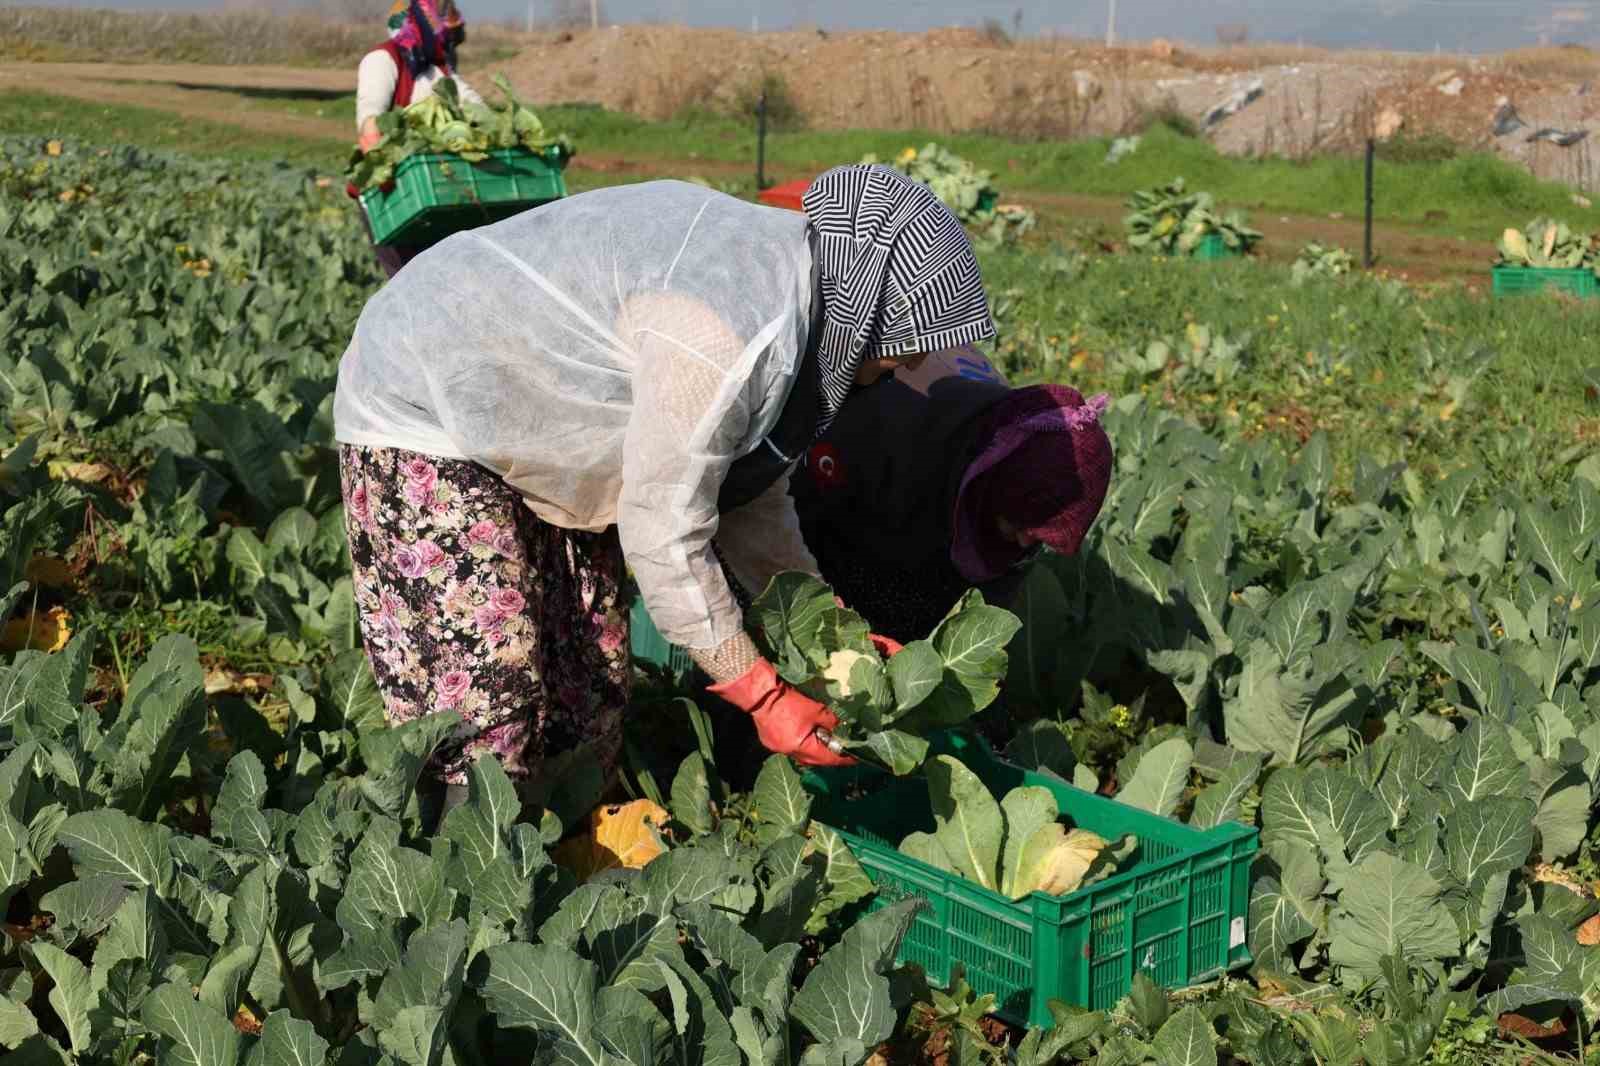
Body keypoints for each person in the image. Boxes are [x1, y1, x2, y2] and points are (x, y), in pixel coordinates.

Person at [332, 164, 999, 813]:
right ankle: (465, 888)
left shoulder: (797, 302)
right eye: (905, 342)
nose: (909, 362)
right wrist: (763, 696)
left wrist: (830, 634)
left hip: (535, 416)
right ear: (867, 304)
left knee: (586, 689)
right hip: (423, 392)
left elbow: (750, 503)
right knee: (490, 700)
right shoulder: (730, 329)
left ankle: (546, 866)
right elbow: (663, 531)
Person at [790, 346, 1113, 643]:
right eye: (1022, 526)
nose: (1027, 542)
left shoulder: (1017, 462)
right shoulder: (883, 432)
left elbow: (989, 608)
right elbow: (788, 527)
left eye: (1037, 536)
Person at [352, 0, 481, 278]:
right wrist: (385, 168)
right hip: (393, 194)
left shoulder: (438, 69)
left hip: (436, 192)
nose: (448, 34)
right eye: (442, 22)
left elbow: (474, 107)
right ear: (421, 21)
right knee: (410, 281)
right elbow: (369, 124)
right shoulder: (383, 59)